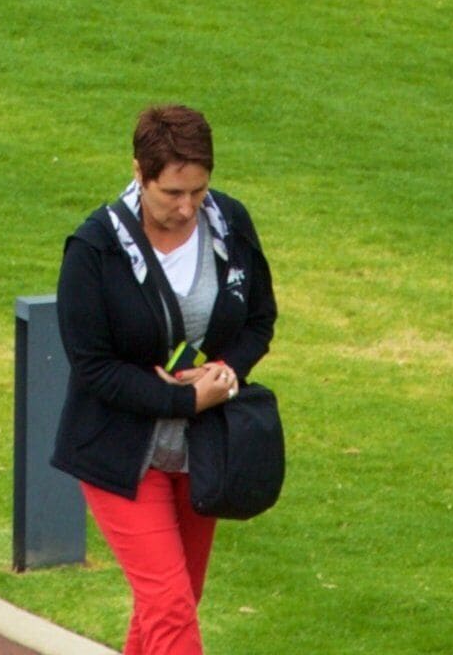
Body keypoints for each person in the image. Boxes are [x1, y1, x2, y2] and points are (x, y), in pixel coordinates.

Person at [52, 104, 276, 655]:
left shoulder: (230, 223)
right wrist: (182, 399)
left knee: (169, 606)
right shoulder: (93, 249)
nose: (187, 207)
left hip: (200, 453)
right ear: (138, 172)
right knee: (170, 608)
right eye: (171, 193)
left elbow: (259, 320)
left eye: (198, 191)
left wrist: (225, 373)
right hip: (118, 452)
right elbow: (93, 367)